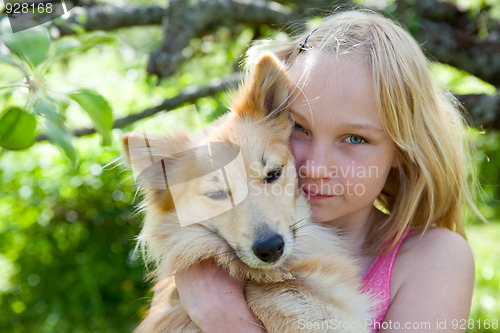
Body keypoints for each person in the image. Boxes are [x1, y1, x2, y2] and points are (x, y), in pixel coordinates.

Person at [175, 9, 481, 332]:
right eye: (299, 128)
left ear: (401, 150)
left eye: (354, 138)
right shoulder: (230, 249)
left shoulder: (434, 259)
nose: (316, 168)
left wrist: (222, 316)